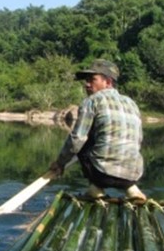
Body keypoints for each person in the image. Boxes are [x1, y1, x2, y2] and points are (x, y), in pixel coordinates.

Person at [49, 59, 147, 201]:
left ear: (108, 82)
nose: (87, 84)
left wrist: (60, 163)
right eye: (86, 80)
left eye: (92, 80)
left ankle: (95, 189)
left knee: (82, 141)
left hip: (102, 174)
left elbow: (77, 139)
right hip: (133, 174)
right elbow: (138, 140)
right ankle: (132, 190)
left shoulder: (92, 101)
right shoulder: (131, 103)